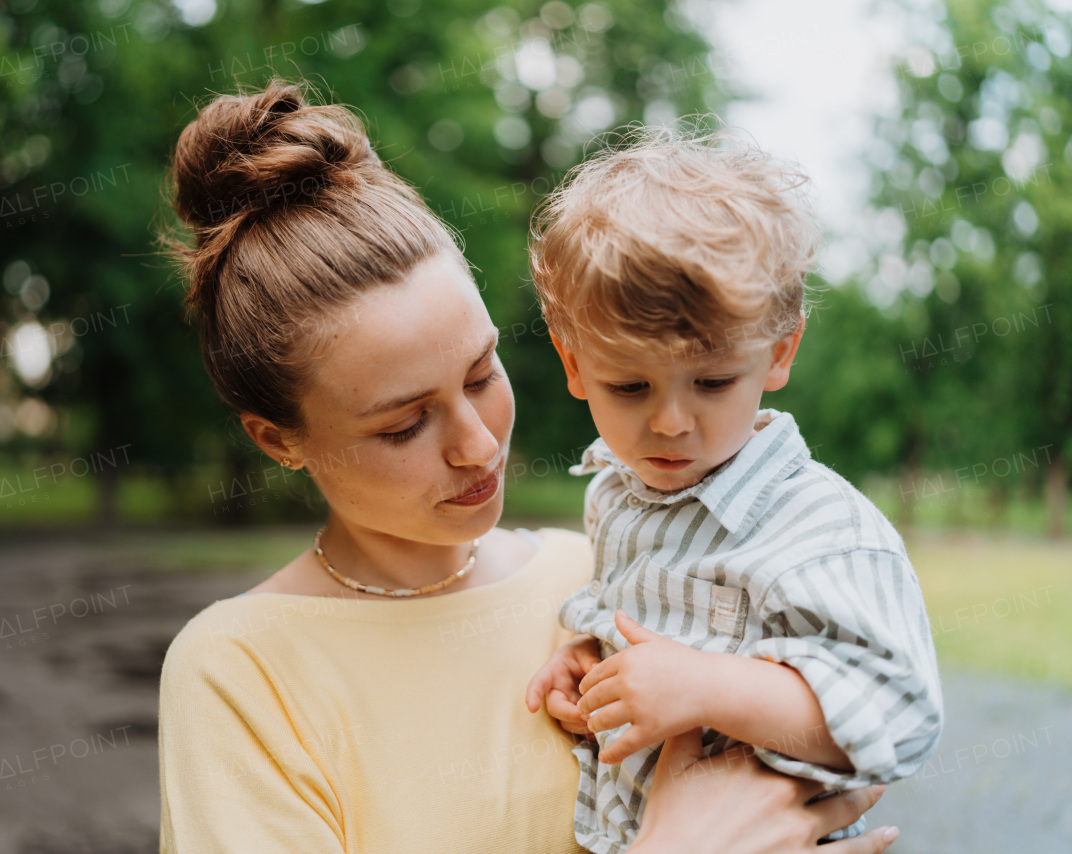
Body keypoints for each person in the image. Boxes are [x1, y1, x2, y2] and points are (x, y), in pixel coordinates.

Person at [157, 78, 902, 854]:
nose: (478, 444)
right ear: (279, 439)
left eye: (482, 374)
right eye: (405, 424)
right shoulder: (242, 675)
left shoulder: (615, 574)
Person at [524, 127, 943, 853]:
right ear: (573, 364)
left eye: (713, 382)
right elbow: (652, 629)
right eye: (628, 385)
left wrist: (708, 687)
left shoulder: (821, 528)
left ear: (780, 352)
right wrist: (593, 663)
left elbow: (902, 713)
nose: (671, 423)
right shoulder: (618, 497)